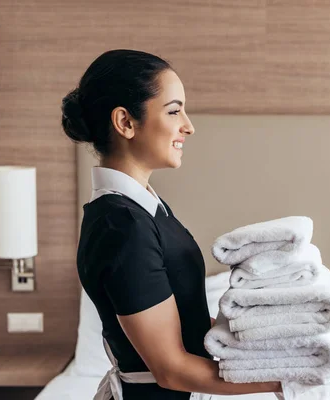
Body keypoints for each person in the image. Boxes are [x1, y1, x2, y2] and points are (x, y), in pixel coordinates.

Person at [61, 49, 282, 400]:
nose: (188, 126)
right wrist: (287, 379)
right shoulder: (121, 226)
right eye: (174, 110)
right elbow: (170, 369)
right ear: (126, 123)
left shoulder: (145, 209)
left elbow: (186, 324)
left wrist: (270, 348)